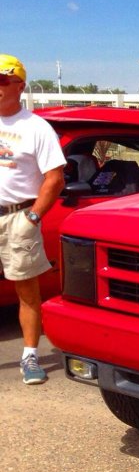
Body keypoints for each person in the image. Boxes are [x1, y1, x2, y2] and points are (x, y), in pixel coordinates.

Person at [0, 54, 66, 384]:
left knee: (27, 291)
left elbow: (55, 178)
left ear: (19, 86)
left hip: (17, 218)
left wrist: (33, 216)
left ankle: (29, 357)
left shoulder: (37, 128)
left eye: (1, 81)